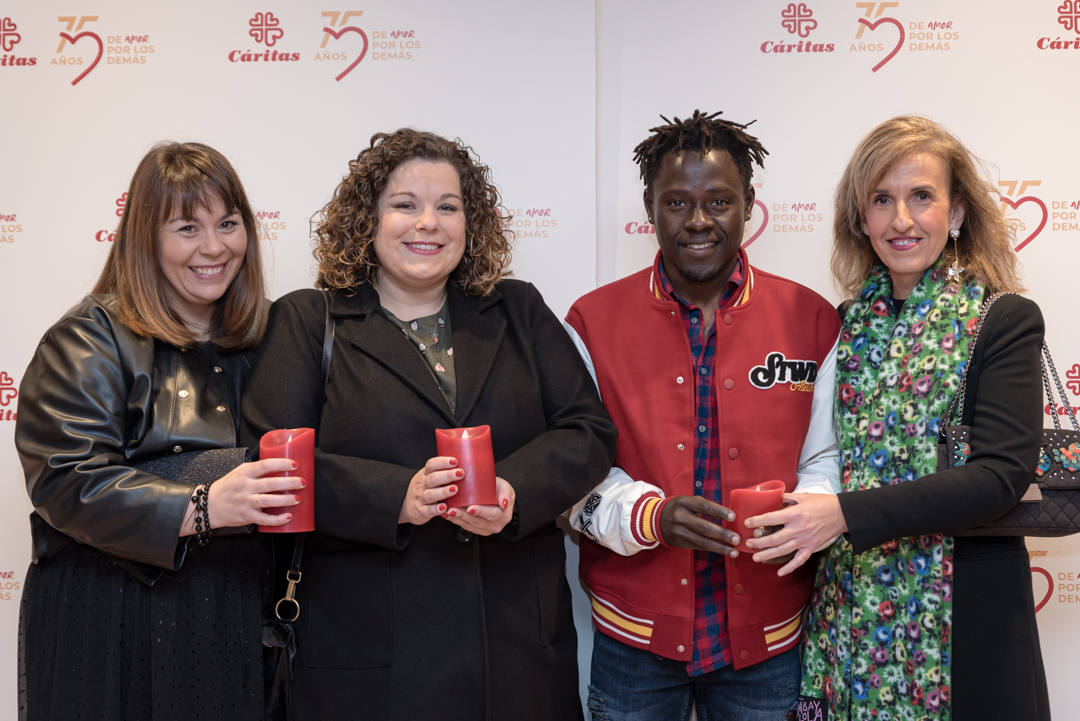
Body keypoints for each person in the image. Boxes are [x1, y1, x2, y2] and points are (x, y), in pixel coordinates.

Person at [239, 127, 617, 721]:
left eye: (448, 207)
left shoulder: (518, 309)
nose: (428, 223)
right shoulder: (310, 321)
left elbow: (586, 431)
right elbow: (270, 472)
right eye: (405, 206)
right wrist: (397, 496)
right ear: (367, 218)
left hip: (516, 651)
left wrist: (512, 489)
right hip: (368, 657)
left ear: (473, 223)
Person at [746, 115, 1051, 720]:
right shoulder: (846, 323)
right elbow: (823, 454)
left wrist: (844, 515)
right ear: (861, 219)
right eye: (881, 200)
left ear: (957, 213)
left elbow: (1000, 474)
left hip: (966, 617)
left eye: (922, 197)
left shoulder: (1004, 319)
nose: (901, 220)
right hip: (849, 619)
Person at [564, 110, 841, 721]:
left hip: (769, 638)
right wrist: (653, 517)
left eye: (718, 200)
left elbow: (828, 455)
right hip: (634, 639)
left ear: (748, 205)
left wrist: (805, 514)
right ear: (649, 206)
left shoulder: (814, 319)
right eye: (676, 202)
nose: (697, 221)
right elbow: (570, 469)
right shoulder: (590, 323)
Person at [15, 142, 306, 721]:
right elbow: (64, 481)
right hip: (111, 617)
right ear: (145, 235)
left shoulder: (270, 335)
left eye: (228, 223)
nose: (214, 247)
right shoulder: (88, 337)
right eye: (186, 227)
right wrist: (201, 506)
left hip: (230, 616)